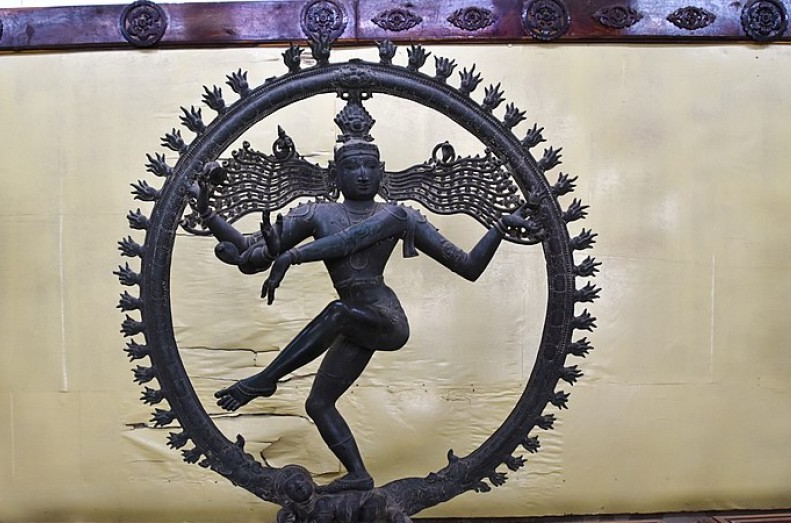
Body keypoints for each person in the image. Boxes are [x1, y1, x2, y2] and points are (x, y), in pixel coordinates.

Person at [196, 119, 538, 494]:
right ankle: (357, 474)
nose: (362, 174)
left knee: (337, 312)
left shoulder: (397, 215)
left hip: (384, 319)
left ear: (381, 171)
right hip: (354, 324)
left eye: (369, 166)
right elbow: (250, 250)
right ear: (335, 174)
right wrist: (208, 213)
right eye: (352, 167)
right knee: (319, 404)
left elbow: (467, 265)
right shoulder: (315, 214)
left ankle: (265, 379)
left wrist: (500, 229)